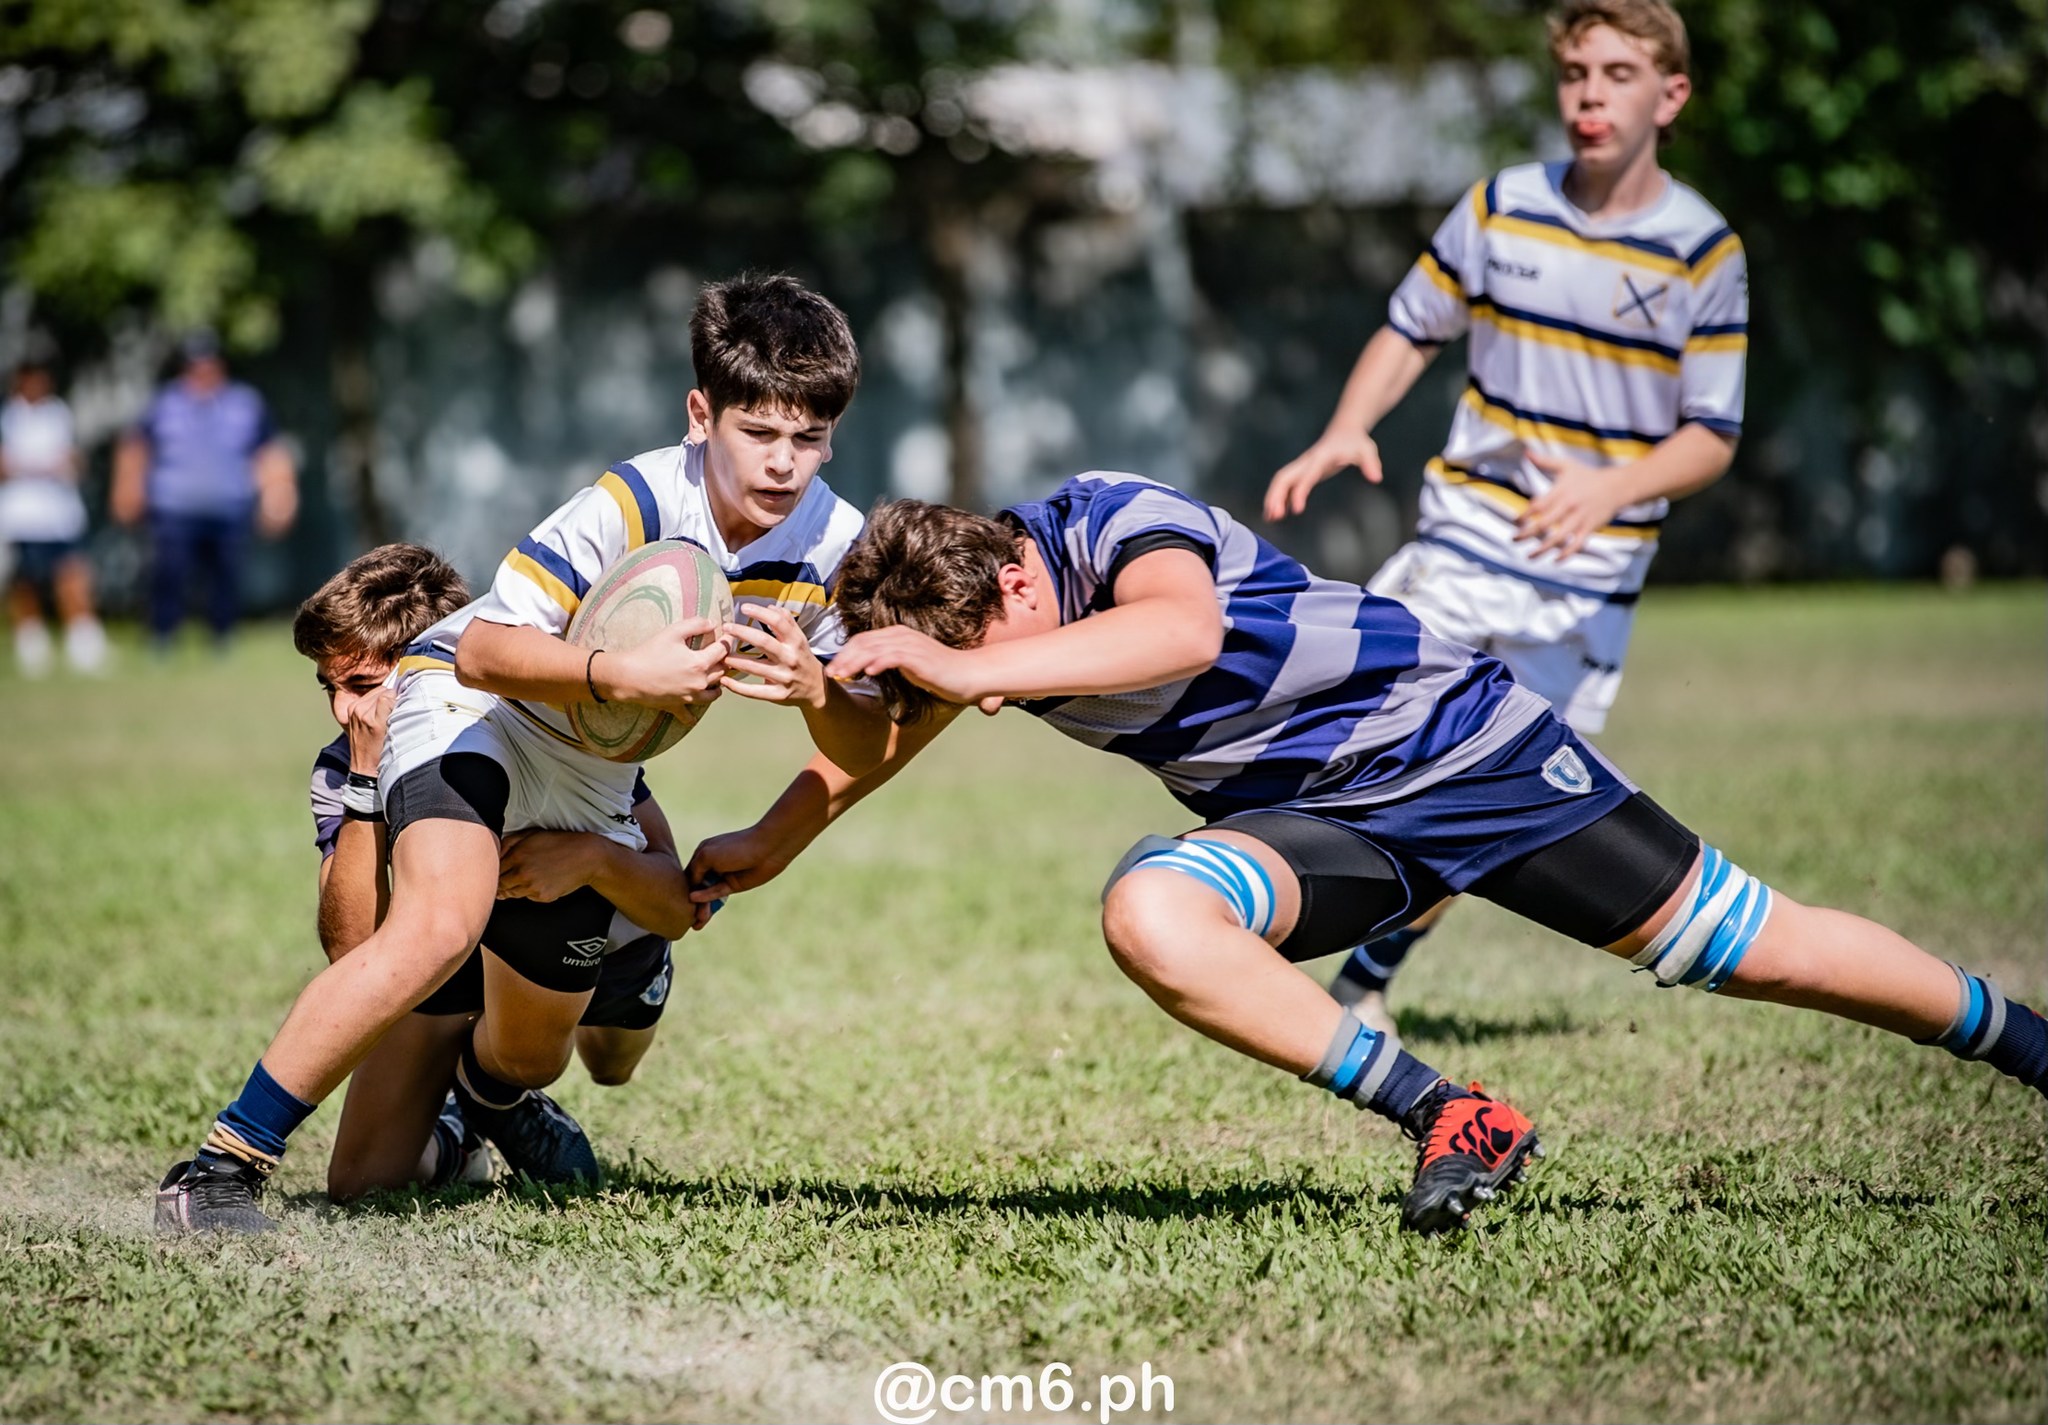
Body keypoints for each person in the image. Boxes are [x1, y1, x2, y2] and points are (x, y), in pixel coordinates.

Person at [688, 474, 2048, 1236]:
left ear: (1016, 582)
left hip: (1470, 756)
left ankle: (2031, 1049)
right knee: (1154, 910)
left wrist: (947, 664)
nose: (980, 690)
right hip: (1323, 830)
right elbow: (873, 742)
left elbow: (1181, 635)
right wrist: (776, 823)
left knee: (1755, 950)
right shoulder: (977, 630)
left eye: (978, 658)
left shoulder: (1102, 518)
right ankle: (1450, 1114)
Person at [155, 272, 891, 1234]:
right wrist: (616, 674)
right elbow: (482, 649)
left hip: (591, 773)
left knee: (531, 1055)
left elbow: (864, 740)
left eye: (811, 437)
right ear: (701, 414)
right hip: (476, 711)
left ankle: (481, 1106)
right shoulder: (629, 501)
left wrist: (818, 690)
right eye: (761, 433)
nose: (786, 464)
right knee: (439, 923)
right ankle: (218, 1169)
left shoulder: (835, 543)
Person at [1263, 0, 1746, 1037]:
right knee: (1357, 706)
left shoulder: (1702, 254)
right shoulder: (1497, 208)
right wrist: (1343, 429)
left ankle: (1364, 980)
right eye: (1575, 71)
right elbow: (1408, 326)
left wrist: (1604, 490)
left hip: (1588, 572)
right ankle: (1260, 890)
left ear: (1669, 95)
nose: (1588, 93)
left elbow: (1709, 435)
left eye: (1617, 73)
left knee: (1489, 801)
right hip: (1464, 530)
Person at [293, 543, 689, 1203]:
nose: (341, 710)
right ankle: (468, 1116)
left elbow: (673, 899)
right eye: (330, 686)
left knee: (610, 1064)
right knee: (361, 1182)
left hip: (604, 945)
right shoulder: (343, 766)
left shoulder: (545, 731)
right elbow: (352, 953)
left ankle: (497, 1077)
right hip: (456, 960)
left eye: (359, 686)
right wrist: (367, 781)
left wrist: (590, 857)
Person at [111, 333, 297, 652]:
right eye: (194, 366)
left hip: (229, 505)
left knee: (226, 577)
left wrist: (280, 496)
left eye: (209, 365)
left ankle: (222, 638)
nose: (202, 373)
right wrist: (126, 488)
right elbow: (135, 448)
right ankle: (163, 636)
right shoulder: (165, 403)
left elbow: (269, 452)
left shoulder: (245, 403)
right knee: (169, 574)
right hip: (174, 507)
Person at [0, 358, 106, 675]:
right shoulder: (8, 417)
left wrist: (46, 465)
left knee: (72, 573)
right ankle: (31, 641)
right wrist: (39, 466)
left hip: (59, 514)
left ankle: (83, 639)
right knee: (26, 580)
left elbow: (72, 459)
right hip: (22, 514)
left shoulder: (58, 413)